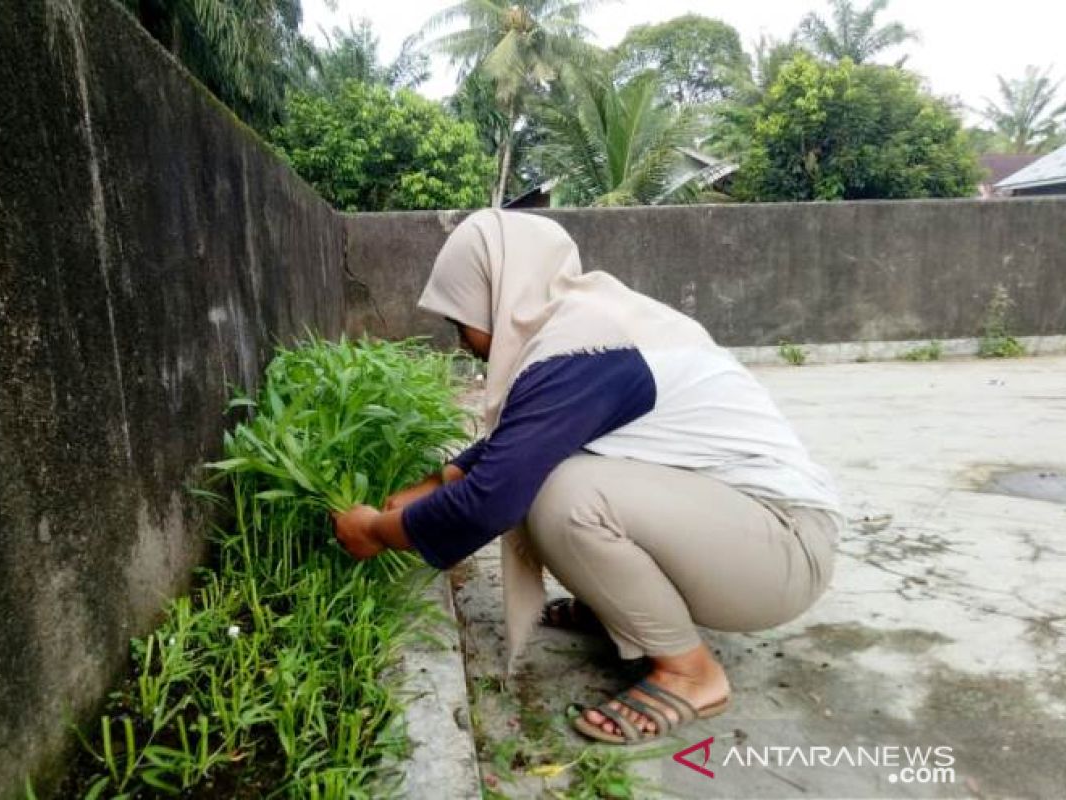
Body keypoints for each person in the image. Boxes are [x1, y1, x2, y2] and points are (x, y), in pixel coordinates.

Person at [333, 209, 842, 745]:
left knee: (563, 496)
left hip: (783, 553)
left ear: (497, 292)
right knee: (547, 472)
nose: (460, 340)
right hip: (743, 538)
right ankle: (625, 610)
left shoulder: (585, 348)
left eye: (459, 319)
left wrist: (373, 532)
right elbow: (524, 438)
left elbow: (490, 500)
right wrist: (438, 482)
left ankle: (691, 674)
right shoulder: (588, 326)